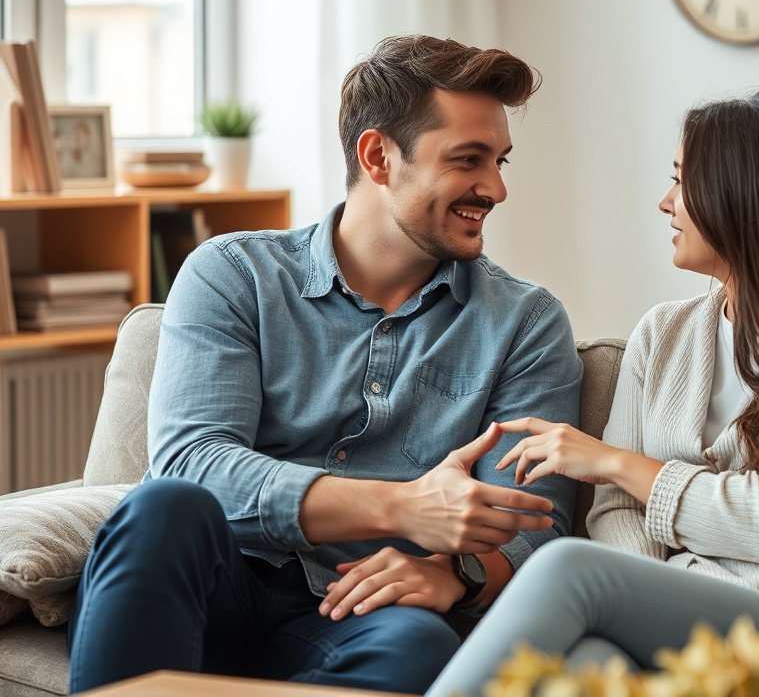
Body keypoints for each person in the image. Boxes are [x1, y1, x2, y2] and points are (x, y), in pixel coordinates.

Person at [67, 35, 583, 694]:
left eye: (500, 161)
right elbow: (193, 463)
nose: (497, 188)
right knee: (163, 509)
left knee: (422, 643)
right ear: (378, 157)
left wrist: (459, 573)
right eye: (468, 160)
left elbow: (532, 523)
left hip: (360, 610)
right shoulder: (234, 274)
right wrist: (402, 507)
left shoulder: (526, 323)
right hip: (211, 582)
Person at [426, 88, 759, 697]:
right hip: (699, 634)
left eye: (682, 181)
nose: (665, 201)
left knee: (568, 567)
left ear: (746, 195)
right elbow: (617, 513)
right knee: (591, 661)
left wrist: (618, 463)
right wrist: (646, 600)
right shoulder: (664, 333)